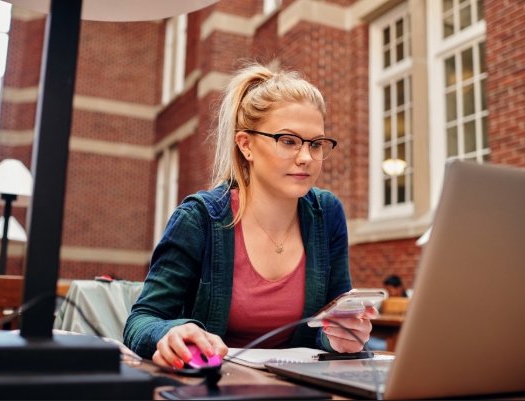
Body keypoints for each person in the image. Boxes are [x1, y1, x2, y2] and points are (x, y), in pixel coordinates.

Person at [123, 62, 378, 369]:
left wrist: (340, 336)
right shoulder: (199, 218)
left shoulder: (327, 214)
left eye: (316, 144)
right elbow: (140, 321)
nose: (306, 157)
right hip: (214, 385)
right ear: (246, 145)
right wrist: (171, 331)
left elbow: (325, 328)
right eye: (288, 141)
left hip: (300, 387)